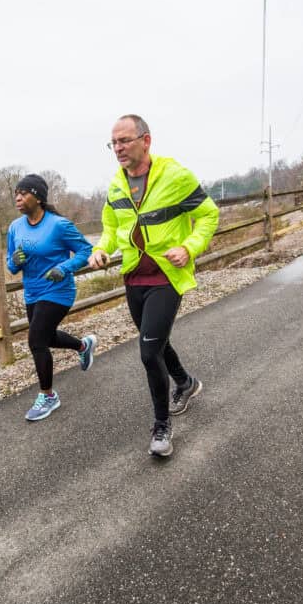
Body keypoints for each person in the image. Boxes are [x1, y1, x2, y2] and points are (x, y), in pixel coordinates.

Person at [88, 115, 219, 457]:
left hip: (166, 277)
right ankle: (186, 383)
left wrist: (189, 247)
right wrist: (101, 249)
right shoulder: (116, 186)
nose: (118, 148)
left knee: (148, 352)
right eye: (113, 142)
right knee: (157, 342)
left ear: (146, 140)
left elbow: (209, 214)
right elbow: (110, 227)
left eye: (125, 140)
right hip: (134, 278)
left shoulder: (174, 176)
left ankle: (162, 428)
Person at [7, 173, 98, 421]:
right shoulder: (15, 228)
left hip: (59, 291)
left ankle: (48, 396)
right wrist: (14, 262)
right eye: (16, 193)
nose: (18, 197)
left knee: (36, 341)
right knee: (46, 337)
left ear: (37, 198)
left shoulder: (59, 225)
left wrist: (64, 268)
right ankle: (83, 345)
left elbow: (86, 251)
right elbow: (11, 265)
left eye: (23, 193)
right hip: (32, 292)